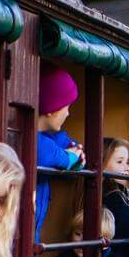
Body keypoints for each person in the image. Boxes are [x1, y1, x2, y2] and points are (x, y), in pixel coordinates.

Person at [35, 67, 84, 242]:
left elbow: (72, 151)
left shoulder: (52, 136)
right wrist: (70, 158)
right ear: (52, 108)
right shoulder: (36, 140)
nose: (68, 113)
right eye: (67, 107)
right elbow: (48, 154)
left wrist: (77, 158)